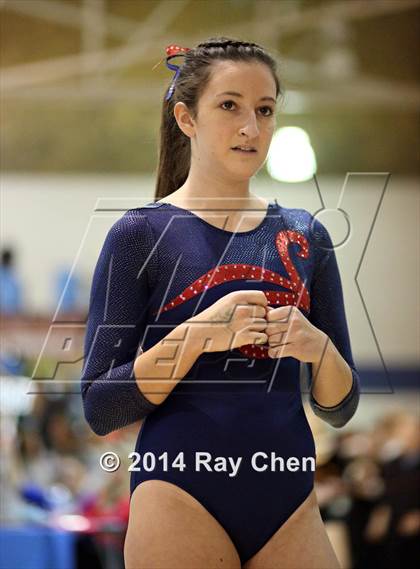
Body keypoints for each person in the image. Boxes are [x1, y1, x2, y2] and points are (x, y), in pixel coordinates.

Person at [81, 36, 360, 569]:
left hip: (288, 497)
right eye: (229, 105)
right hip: (181, 492)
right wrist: (198, 335)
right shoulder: (142, 234)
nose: (250, 127)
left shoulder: (306, 235)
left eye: (265, 110)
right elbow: (100, 406)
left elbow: (341, 406)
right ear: (186, 118)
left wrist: (317, 347)